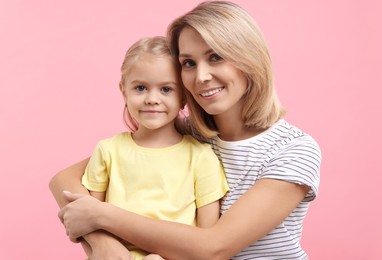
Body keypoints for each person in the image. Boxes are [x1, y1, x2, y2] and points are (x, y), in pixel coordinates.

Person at [52, 1, 321, 259]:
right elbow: (63, 181)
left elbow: (214, 249)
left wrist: (101, 215)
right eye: (188, 63)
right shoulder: (187, 135)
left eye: (215, 57)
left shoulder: (293, 150)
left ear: (249, 59)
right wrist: (104, 244)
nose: (201, 76)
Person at [55, 36, 229, 260]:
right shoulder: (108, 151)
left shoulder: (201, 158)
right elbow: (91, 223)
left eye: (166, 89)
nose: (152, 99)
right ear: (124, 91)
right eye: (140, 88)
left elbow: (206, 241)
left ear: (184, 96)